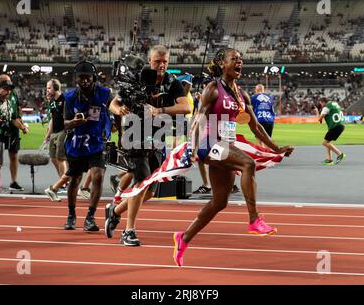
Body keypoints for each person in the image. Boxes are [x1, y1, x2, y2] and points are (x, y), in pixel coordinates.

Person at [172, 48, 294, 267]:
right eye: (234, 59)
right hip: (208, 144)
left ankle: (184, 238)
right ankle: (254, 219)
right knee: (248, 164)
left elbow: (255, 127)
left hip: (224, 146)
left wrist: (276, 148)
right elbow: (198, 120)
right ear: (222, 63)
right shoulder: (213, 89)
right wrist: (191, 147)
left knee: (219, 202)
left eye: (241, 59)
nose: (239, 62)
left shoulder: (241, 94)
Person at [105, 45, 191, 246]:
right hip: (134, 136)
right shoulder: (136, 79)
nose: (161, 65)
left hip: (158, 138)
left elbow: (185, 106)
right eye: (157, 61)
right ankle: (129, 231)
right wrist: (119, 110)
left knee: (151, 190)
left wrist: (159, 109)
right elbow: (113, 103)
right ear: (149, 61)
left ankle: (115, 211)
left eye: (165, 62)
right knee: (140, 183)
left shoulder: (172, 82)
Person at [63, 60, 112, 231]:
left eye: (87, 77)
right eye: (81, 77)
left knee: (97, 176)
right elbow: (64, 123)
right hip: (77, 144)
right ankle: (71, 215)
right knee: (75, 179)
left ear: (93, 78)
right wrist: (74, 123)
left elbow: (115, 109)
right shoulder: (69, 97)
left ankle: (90, 217)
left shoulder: (105, 94)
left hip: (97, 142)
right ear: (76, 78)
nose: (84, 80)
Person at [0, 76, 28, 192]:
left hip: (0, 132)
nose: (8, 91)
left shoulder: (8, 103)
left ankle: (4, 183)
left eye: (9, 89)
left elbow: (14, 118)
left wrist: (22, 126)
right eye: (5, 88)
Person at [44, 79, 68, 201]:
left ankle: (63, 183)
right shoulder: (52, 102)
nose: (47, 90)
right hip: (54, 132)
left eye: (49, 88)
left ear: (55, 88)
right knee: (53, 158)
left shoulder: (65, 99)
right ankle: (64, 180)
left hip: (64, 131)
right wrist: (48, 134)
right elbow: (52, 118)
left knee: (60, 158)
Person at [314, 97, 346, 165]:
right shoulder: (335, 104)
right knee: (328, 142)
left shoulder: (326, 107)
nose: (321, 105)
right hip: (341, 125)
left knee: (324, 143)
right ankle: (329, 159)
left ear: (323, 102)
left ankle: (340, 154)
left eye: (321, 103)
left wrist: (316, 111)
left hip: (335, 126)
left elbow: (319, 119)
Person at [251, 84, 276, 148]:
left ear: (256, 90)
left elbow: (251, 108)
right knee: (268, 140)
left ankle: (263, 154)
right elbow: (272, 110)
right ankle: (269, 154)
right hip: (270, 121)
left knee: (259, 139)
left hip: (259, 120)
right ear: (263, 90)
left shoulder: (253, 97)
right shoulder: (270, 97)